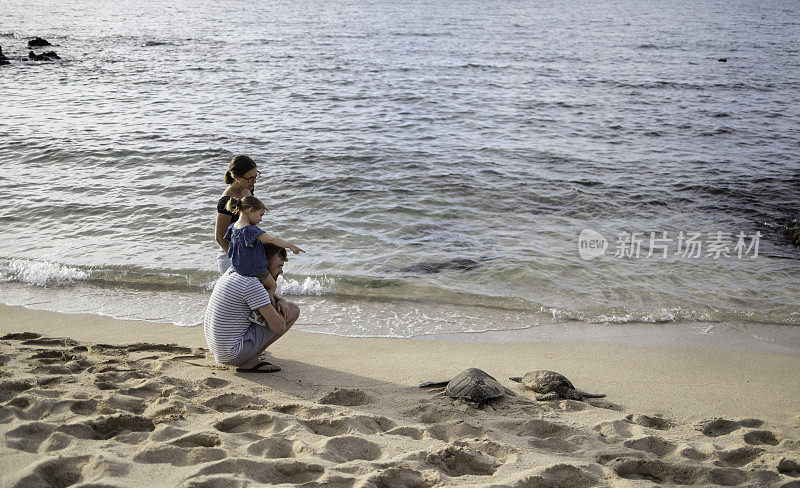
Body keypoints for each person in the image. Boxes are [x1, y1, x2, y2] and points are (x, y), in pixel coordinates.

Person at [204, 244, 300, 372]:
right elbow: (279, 327)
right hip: (232, 354)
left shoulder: (234, 270)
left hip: (219, 350)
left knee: (271, 309)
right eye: (279, 266)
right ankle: (251, 360)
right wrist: (277, 306)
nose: (281, 271)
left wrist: (279, 299)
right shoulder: (252, 285)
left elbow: (257, 291)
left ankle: (249, 354)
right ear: (264, 263)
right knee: (293, 309)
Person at [224, 195, 304, 303]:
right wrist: (291, 246)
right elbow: (272, 239)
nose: (261, 219)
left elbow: (229, 244)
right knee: (272, 286)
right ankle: (265, 302)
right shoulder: (250, 229)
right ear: (251, 210)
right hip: (253, 269)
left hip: (237, 268)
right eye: (260, 215)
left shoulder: (233, 227)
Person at [215, 155, 258, 274]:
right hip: (231, 258)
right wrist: (238, 259)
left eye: (256, 176)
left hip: (246, 252)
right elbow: (219, 237)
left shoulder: (248, 189)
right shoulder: (227, 200)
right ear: (236, 177)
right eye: (250, 178)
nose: (254, 181)